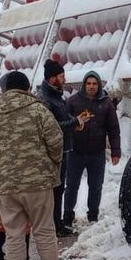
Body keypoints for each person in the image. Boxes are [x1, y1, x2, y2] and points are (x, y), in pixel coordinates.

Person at [0, 70, 71, 260]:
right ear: (27, 88)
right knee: (44, 229)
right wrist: (52, 164)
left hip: (7, 185)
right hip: (38, 183)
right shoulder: (38, 109)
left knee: (14, 233)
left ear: (5, 90)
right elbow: (57, 140)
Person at [34, 59, 88, 238]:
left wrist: (76, 122)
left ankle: (56, 224)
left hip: (62, 148)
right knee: (52, 189)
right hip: (52, 152)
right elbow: (52, 126)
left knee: (59, 188)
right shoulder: (45, 98)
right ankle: (50, 226)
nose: (64, 79)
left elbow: (63, 118)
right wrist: (75, 121)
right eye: (61, 76)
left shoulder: (57, 95)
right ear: (52, 78)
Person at [64, 71, 121, 230]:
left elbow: (113, 128)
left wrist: (116, 150)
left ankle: (93, 216)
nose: (91, 86)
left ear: (99, 85)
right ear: (84, 84)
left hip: (97, 152)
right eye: (88, 83)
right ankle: (68, 216)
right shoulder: (73, 101)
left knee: (96, 185)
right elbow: (65, 124)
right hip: (76, 151)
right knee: (72, 185)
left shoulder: (106, 103)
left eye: (94, 84)